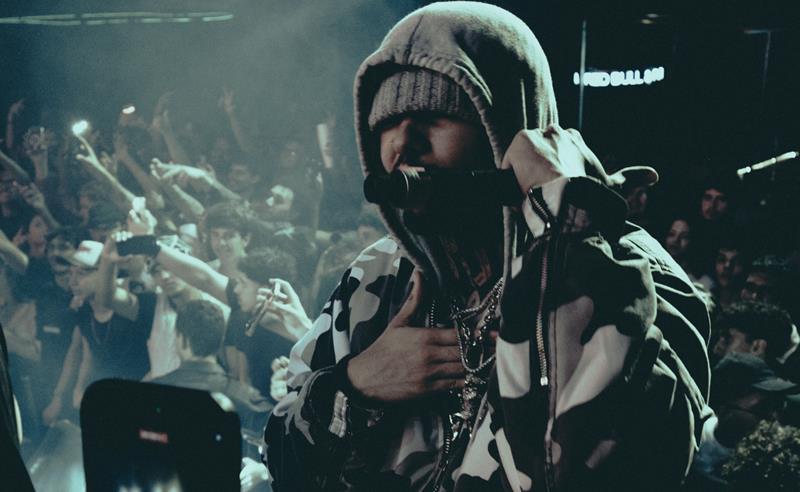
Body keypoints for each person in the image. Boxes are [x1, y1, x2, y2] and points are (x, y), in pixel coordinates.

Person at [264, 3, 711, 492]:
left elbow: (594, 468)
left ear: (509, 130)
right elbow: (281, 456)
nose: (403, 144)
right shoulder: (378, 273)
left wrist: (566, 230)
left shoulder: (635, 273)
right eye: (388, 123)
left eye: (436, 117)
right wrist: (357, 385)